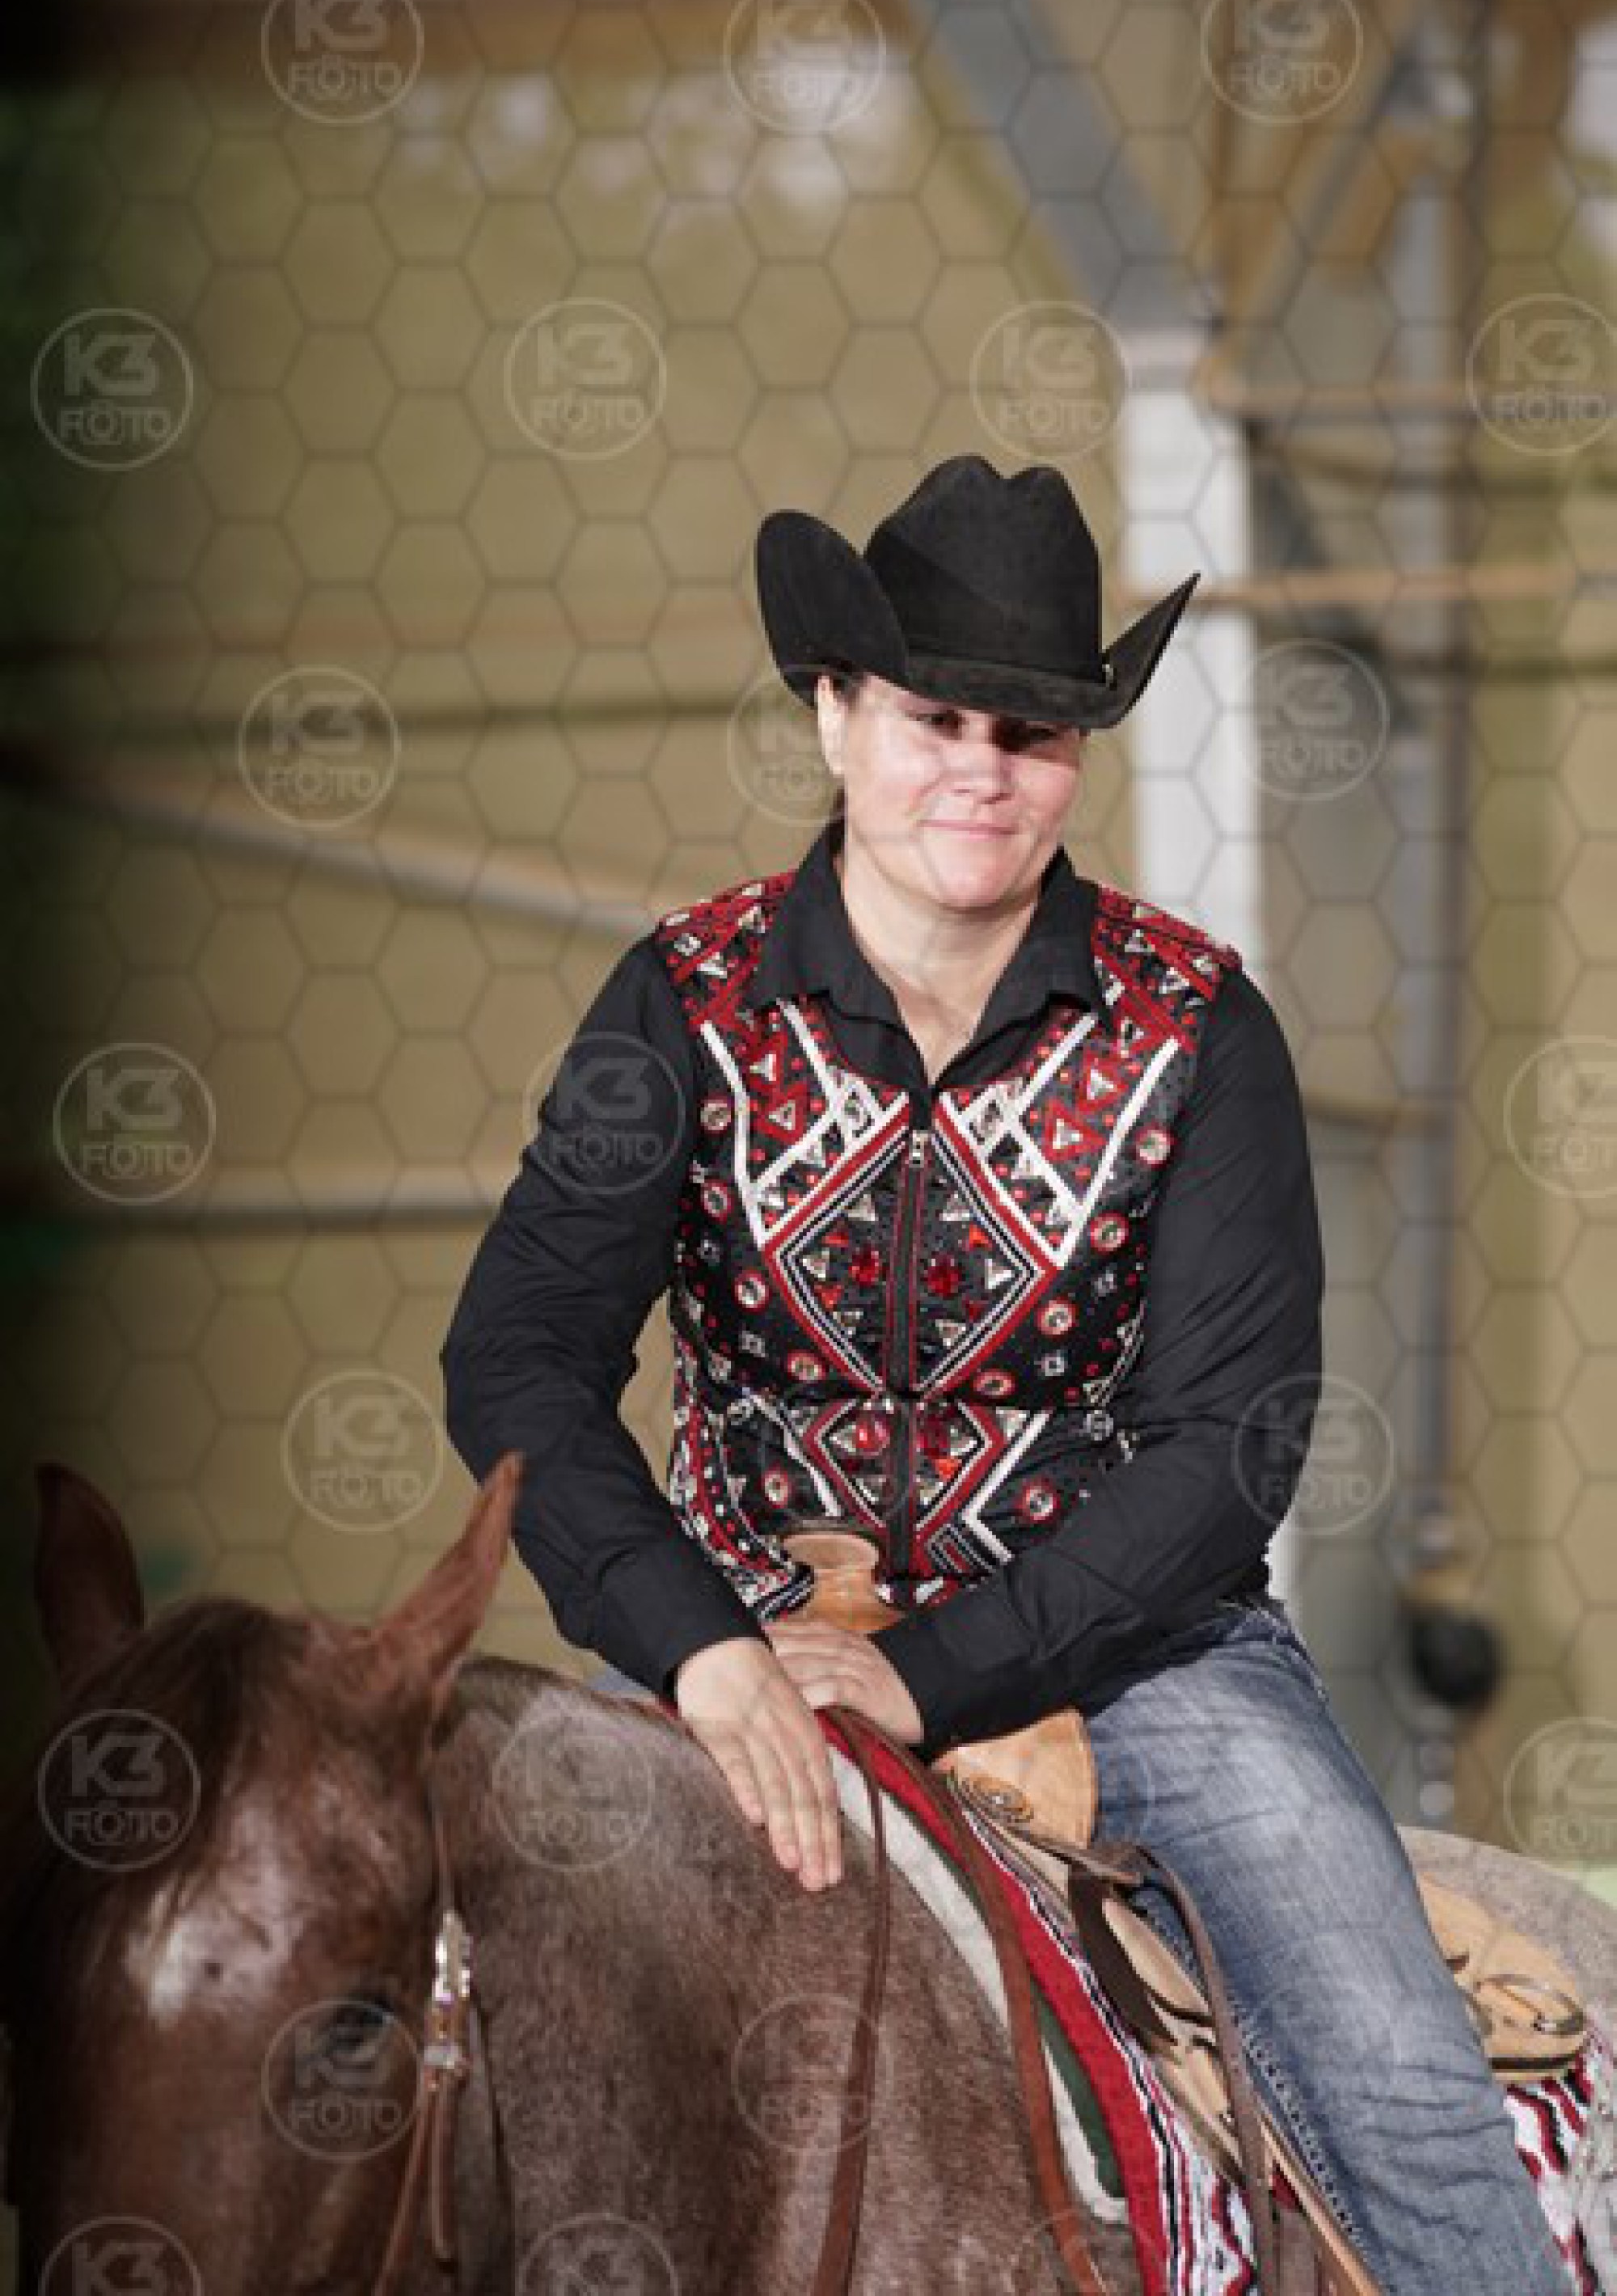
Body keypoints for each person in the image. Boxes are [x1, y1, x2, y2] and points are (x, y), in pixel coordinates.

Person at [441, 453, 1568, 2295]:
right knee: (464, 2022)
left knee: (1403, 2089)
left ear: (1078, 756)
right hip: (734, 1639)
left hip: (1145, 1666)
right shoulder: (682, 1001)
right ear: (834, 712)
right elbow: (519, 1355)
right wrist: (692, 1640)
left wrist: (927, 1670)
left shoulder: (1198, 1027)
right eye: (932, 718)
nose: (980, 768)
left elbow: (1226, 1448)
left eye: (1030, 732)